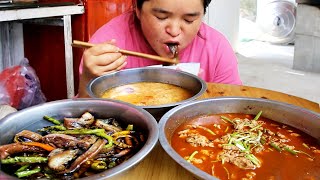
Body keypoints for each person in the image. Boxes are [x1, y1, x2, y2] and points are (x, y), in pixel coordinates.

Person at [78, 0, 242, 97]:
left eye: (189, 19)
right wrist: (88, 79)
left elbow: (231, 108)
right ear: (138, 9)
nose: (175, 30)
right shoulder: (110, 43)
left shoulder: (216, 48)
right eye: (161, 17)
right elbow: (83, 117)